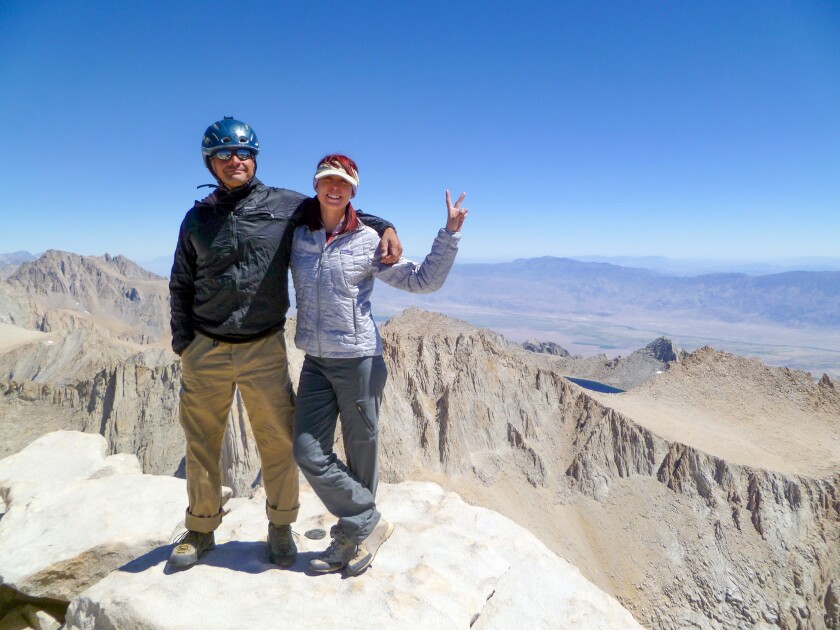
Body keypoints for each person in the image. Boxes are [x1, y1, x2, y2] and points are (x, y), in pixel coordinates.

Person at [168, 118, 402, 569]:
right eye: (224, 154)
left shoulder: (286, 206)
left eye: (243, 153)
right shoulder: (197, 218)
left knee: (276, 441)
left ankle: (280, 527)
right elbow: (181, 281)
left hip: (262, 346)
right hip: (205, 348)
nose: (235, 161)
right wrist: (184, 343)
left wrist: (386, 224)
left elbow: (335, 208)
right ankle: (199, 530)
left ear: (254, 158)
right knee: (201, 443)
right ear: (210, 162)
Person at [291, 154, 467, 576]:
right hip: (315, 360)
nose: (334, 188)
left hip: (359, 360)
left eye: (343, 182)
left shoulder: (368, 240)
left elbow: (423, 281)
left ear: (353, 190)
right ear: (316, 186)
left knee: (361, 452)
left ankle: (353, 536)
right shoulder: (297, 235)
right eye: (326, 180)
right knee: (306, 450)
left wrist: (449, 235)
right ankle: (368, 522)